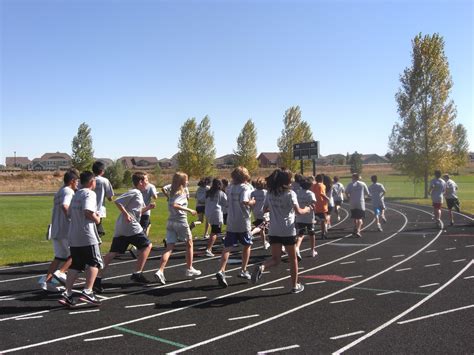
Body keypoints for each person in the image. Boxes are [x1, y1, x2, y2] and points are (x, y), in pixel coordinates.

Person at [251, 168, 311, 294]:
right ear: (286, 181)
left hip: (273, 230)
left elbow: (264, 209)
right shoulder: (290, 194)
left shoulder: (270, 193)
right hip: (287, 230)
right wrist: (307, 209)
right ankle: (295, 286)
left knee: (276, 259)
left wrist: (275, 209)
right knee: (293, 258)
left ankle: (262, 267)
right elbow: (299, 211)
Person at [93, 172, 155, 293]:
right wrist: (126, 214)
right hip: (130, 226)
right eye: (146, 180)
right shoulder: (135, 192)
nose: (148, 182)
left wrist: (148, 208)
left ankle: (97, 279)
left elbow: (137, 211)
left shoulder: (139, 194)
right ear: (140, 182)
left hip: (123, 227)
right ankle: (137, 273)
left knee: (112, 253)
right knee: (147, 245)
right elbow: (117, 201)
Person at [59, 171, 103, 307]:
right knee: (94, 263)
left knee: (76, 265)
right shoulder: (90, 193)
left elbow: (70, 214)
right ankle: (88, 291)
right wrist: (97, 218)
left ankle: (67, 293)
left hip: (74, 235)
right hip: (86, 235)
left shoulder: (76, 194)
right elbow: (87, 211)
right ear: (91, 182)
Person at [154, 172, 201, 284]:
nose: (188, 182)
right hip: (180, 221)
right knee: (189, 243)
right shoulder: (181, 192)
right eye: (186, 180)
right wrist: (189, 210)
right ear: (182, 181)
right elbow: (175, 204)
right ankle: (189, 268)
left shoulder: (172, 191)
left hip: (170, 221)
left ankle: (160, 270)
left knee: (169, 247)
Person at [215, 166, 256, 287]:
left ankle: (221, 270)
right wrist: (252, 202)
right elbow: (244, 201)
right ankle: (243, 270)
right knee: (247, 245)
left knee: (227, 247)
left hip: (231, 220)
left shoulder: (231, 188)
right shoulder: (245, 187)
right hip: (243, 221)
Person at [42, 170, 79, 292]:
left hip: (56, 229)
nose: (77, 184)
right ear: (72, 181)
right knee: (76, 255)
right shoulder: (68, 191)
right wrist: (72, 218)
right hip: (65, 229)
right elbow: (65, 206)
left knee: (58, 257)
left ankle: (47, 282)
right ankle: (61, 273)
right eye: (77, 181)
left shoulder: (59, 192)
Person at [204, 178, 227, 257]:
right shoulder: (221, 193)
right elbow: (226, 203)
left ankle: (209, 248)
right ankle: (208, 248)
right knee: (215, 232)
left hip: (209, 213)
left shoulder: (208, 192)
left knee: (214, 230)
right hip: (216, 213)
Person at [295, 176, 317, 258]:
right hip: (309, 217)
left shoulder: (297, 192)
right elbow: (313, 205)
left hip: (300, 217)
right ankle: (312, 250)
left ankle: (297, 248)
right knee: (311, 233)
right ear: (310, 186)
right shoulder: (311, 194)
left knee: (300, 234)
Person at [92, 161, 114, 238]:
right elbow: (110, 197)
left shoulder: (88, 179)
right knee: (98, 232)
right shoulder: (104, 181)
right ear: (102, 171)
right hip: (99, 210)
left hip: (87, 209)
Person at [345, 173, 370, 238]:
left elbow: (346, 192)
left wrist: (348, 199)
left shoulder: (350, 184)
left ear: (353, 177)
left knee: (355, 217)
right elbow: (367, 193)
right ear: (358, 177)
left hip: (352, 202)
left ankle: (355, 228)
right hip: (360, 202)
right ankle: (358, 231)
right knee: (360, 218)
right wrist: (365, 197)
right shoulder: (363, 184)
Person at [251, 177, 270, 250]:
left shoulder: (253, 192)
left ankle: (264, 243)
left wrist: (253, 210)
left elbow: (252, 202)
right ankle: (251, 233)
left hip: (256, 211)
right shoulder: (266, 192)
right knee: (262, 227)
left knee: (262, 228)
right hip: (264, 212)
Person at [312, 174, 330, 239]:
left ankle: (313, 228)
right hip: (322, 205)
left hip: (315, 205)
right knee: (323, 220)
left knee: (317, 219)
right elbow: (321, 193)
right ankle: (323, 233)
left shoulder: (313, 185)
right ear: (322, 179)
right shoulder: (322, 185)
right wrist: (327, 198)